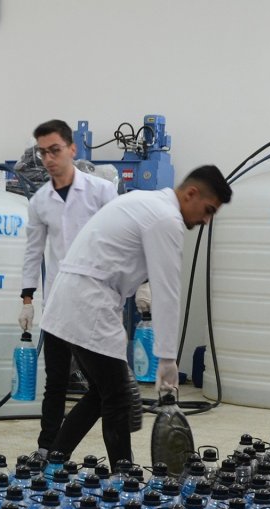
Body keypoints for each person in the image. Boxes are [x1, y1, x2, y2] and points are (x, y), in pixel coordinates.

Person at [39, 165, 232, 467]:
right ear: (191, 193)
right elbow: (168, 291)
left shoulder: (146, 202)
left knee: (101, 394)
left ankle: (53, 463)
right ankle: (123, 478)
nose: (206, 220)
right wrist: (167, 359)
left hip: (73, 298)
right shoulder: (166, 218)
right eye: (208, 210)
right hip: (89, 302)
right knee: (117, 396)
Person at [18, 119, 118, 455]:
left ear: (72, 149)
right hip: (59, 302)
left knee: (103, 384)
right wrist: (27, 298)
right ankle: (47, 447)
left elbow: (121, 240)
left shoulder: (101, 192)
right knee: (56, 380)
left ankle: (91, 449)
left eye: (55, 150)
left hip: (95, 300)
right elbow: (33, 252)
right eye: (42, 152)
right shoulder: (40, 201)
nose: (48, 158)